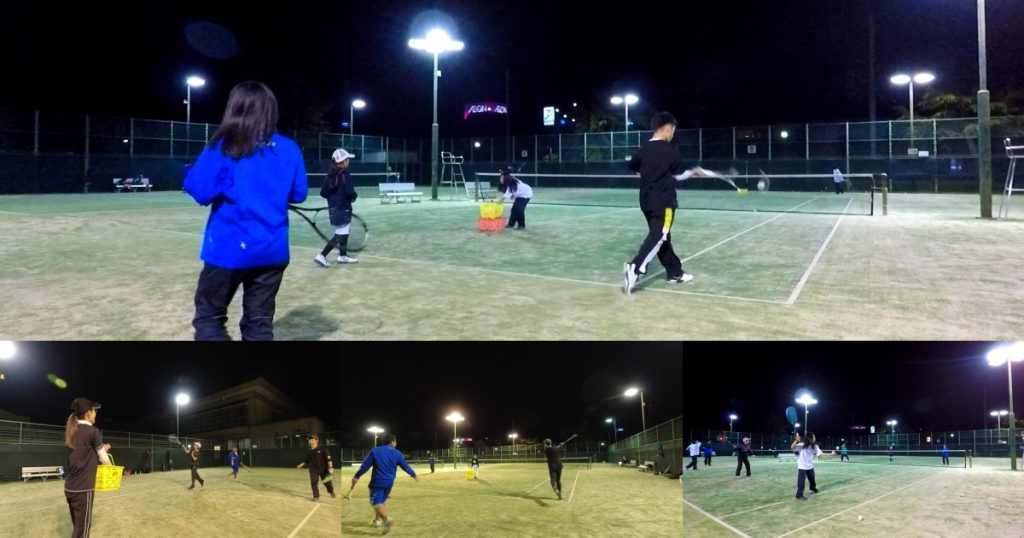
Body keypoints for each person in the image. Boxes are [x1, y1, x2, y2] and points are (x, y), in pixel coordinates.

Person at [183, 80, 308, 341]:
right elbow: (299, 194)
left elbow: (200, 191)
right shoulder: (289, 148)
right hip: (272, 249)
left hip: (228, 249)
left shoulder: (224, 145)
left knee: (209, 319)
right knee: (259, 323)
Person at [623, 111, 695, 295]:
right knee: (659, 236)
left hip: (645, 201)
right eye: (672, 131)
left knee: (662, 236)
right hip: (664, 202)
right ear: (667, 128)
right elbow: (679, 176)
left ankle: (675, 273)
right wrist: (693, 172)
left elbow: (635, 168)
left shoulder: (642, 150)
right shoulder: (672, 151)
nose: (672, 135)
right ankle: (635, 268)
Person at [351, 433, 418, 535]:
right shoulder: (397, 453)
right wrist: (413, 474)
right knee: (381, 501)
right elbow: (405, 466)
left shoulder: (375, 451)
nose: (396, 443)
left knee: (376, 502)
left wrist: (356, 476)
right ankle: (377, 521)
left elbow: (365, 466)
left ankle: (386, 519)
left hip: (377, 481)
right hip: (389, 482)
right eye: (395, 441)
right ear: (392, 442)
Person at [64, 398, 112, 538]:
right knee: (82, 532)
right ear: (88, 413)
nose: (96, 413)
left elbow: (84, 453)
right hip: (83, 490)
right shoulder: (93, 431)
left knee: (77, 529)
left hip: (70, 488)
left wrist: (101, 451)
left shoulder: (72, 430)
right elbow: (104, 459)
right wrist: (110, 466)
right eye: (94, 410)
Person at [315, 148, 359, 267]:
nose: (348, 161)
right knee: (340, 234)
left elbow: (323, 193)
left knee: (343, 231)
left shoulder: (330, 175)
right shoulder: (345, 174)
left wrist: (334, 198)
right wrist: (354, 196)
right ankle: (322, 255)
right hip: (343, 208)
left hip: (333, 209)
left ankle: (342, 256)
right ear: (343, 161)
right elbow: (350, 192)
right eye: (347, 159)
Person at [297, 435, 335, 501]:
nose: (311, 440)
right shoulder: (308, 451)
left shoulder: (323, 449)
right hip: (313, 470)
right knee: (313, 482)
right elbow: (306, 460)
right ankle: (316, 496)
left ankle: (331, 491)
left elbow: (329, 459)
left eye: (312, 439)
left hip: (324, 469)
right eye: (310, 439)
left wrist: (331, 467)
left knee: (327, 482)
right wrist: (301, 464)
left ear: (316, 441)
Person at [790, 431, 822, 501]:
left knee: (812, 479)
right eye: (814, 437)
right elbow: (792, 447)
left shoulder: (815, 446)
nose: (815, 438)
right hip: (802, 466)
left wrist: (831, 454)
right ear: (810, 438)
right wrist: (796, 440)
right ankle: (799, 496)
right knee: (801, 481)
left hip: (809, 466)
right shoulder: (802, 445)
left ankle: (812, 488)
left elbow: (820, 454)